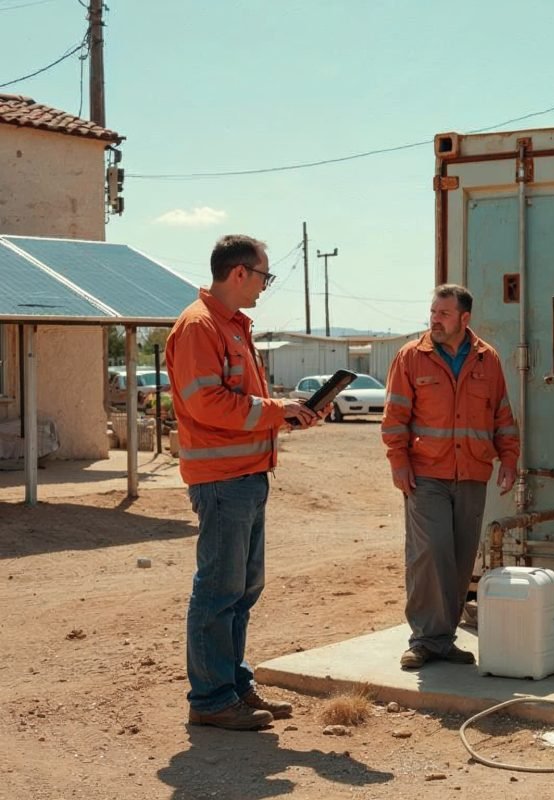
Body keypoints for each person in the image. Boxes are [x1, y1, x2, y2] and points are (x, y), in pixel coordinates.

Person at [166, 234, 323, 730]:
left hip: (246, 476)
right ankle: (211, 700)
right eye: (264, 276)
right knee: (219, 589)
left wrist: (288, 414)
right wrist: (278, 410)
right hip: (222, 480)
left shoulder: (232, 326)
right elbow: (206, 403)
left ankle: (231, 684)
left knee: (242, 588)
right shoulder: (199, 327)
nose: (264, 286)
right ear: (239, 273)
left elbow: (241, 402)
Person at [382, 284, 519, 670]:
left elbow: (503, 417)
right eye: (432, 313)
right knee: (430, 553)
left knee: (460, 559)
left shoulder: (487, 360)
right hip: (426, 474)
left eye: (443, 313)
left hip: (472, 472)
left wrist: (509, 459)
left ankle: (444, 639)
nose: (435, 320)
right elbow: (394, 418)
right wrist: (399, 461)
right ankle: (424, 639)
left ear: (464, 318)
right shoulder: (411, 357)